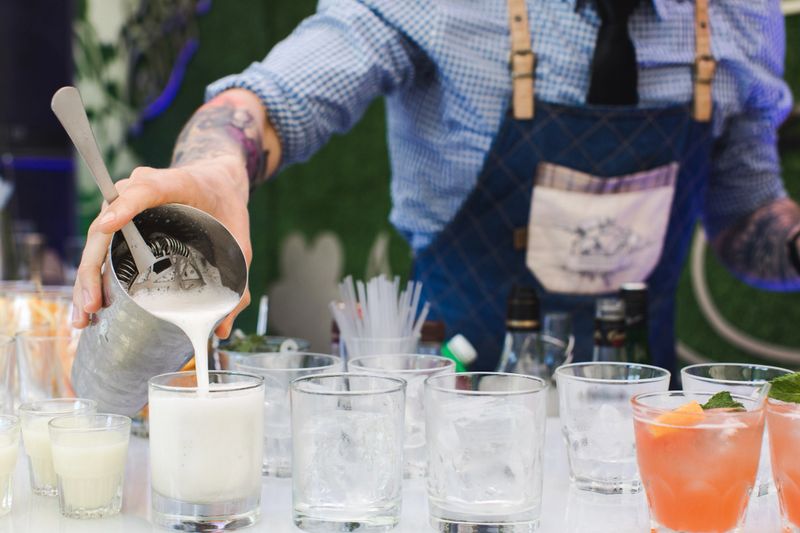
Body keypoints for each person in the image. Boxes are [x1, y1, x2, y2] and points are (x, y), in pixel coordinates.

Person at [71, 0, 800, 371]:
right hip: (449, 401)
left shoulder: (741, 15)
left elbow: (745, 220)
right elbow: (272, 100)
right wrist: (215, 167)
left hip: (642, 417)